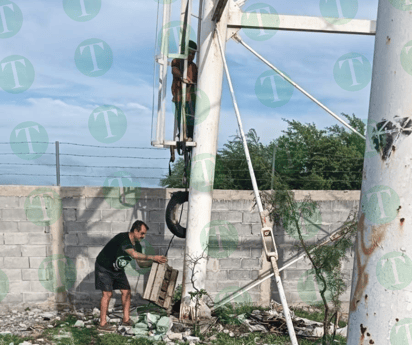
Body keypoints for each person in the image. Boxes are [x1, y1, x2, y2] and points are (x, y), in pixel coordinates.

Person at [94, 220, 167, 332]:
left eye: (144, 234)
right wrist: (153, 257)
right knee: (107, 294)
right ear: (135, 231)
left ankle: (126, 319)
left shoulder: (136, 244)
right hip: (104, 267)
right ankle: (102, 324)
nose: (143, 236)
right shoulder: (123, 239)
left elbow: (139, 261)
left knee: (126, 292)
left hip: (117, 269)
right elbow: (133, 254)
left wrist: (156, 262)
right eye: (142, 233)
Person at [171, 40, 198, 140]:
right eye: (190, 53)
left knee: (191, 116)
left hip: (191, 97)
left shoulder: (194, 67)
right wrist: (182, 77)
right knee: (181, 116)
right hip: (179, 95)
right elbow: (174, 70)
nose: (191, 56)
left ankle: (190, 135)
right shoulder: (177, 61)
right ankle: (183, 134)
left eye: (193, 54)